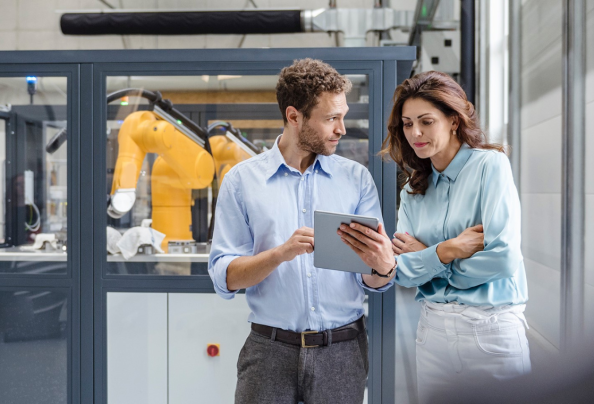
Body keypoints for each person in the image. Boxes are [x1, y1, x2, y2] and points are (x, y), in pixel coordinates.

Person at [208, 58, 396, 404]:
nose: (341, 128)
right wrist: (280, 254)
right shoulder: (242, 181)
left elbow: (371, 278)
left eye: (343, 116)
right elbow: (225, 276)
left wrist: (383, 268)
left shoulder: (356, 180)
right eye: (331, 119)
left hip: (341, 351)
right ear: (294, 117)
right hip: (269, 352)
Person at [338, 71, 530, 403]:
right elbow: (402, 270)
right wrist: (448, 250)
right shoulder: (414, 189)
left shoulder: (490, 166)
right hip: (433, 334)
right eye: (407, 124)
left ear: (454, 120)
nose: (415, 133)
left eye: (426, 121)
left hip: (491, 332)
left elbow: (503, 259)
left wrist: (430, 258)